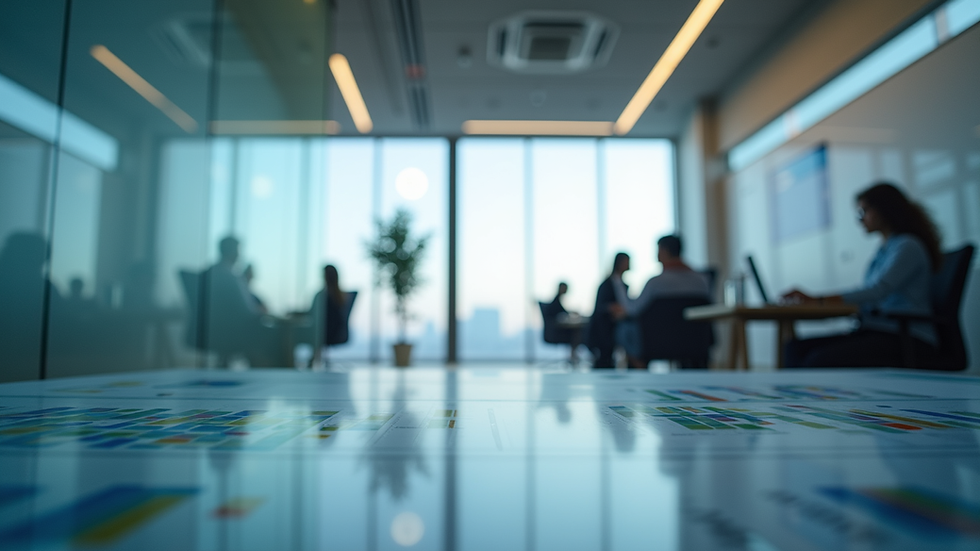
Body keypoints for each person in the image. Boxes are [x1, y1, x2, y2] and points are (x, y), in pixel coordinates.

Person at [782, 182, 942, 368]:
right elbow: (871, 296)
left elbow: (877, 291)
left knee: (818, 360)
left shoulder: (907, 246)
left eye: (863, 212)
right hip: (878, 330)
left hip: (907, 337)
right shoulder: (884, 250)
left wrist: (817, 299)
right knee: (793, 348)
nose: (860, 220)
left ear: (884, 209)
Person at [612, 235, 711, 367]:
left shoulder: (655, 283)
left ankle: (639, 367)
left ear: (663, 251)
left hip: (657, 344)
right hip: (696, 344)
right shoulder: (702, 280)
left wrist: (618, 284)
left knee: (624, 329)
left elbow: (632, 310)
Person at [201, 236, 279, 365]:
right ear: (232, 252)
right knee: (278, 336)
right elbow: (248, 311)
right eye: (237, 251)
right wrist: (262, 311)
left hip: (215, 330)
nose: (238, 255)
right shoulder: (231, 278)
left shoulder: (209, 273)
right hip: (233, 332)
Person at [587, 253, 630, 368]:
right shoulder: (606, 285)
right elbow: (600, 307)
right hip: (606, 324)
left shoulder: (624, 285)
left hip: (621, 322)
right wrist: (613, 308)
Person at [309, 264, 353, 349]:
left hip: (325, 333)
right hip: (338, 333)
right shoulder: (342, 296)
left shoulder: (322, 296)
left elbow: (312, 313)